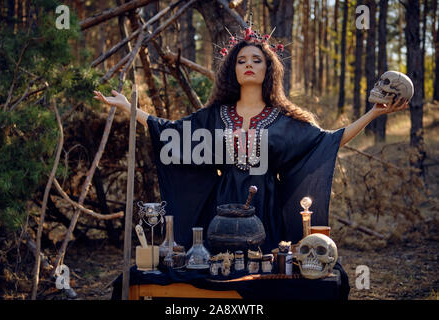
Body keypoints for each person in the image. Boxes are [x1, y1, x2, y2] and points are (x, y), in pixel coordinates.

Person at [94, 40, 409, 252]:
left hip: (266, 206)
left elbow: (328, 141)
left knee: (262, 271)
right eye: (241, 60)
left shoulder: (283, 120)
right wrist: (128, 108)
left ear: (267, 69)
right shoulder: (215, 116)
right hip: (222, 202)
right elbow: (171, 132)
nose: (248, 64)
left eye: (256, 60)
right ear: (233, 69)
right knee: (221, 271)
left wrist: (373, 113)